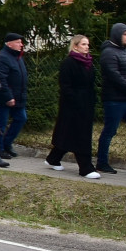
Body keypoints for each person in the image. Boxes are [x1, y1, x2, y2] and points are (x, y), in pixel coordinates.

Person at [43, 35, 100, 179]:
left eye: (88, 44)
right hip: (72, 106)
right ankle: (85, 168)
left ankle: (53, 158)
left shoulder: (89, 63)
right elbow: (65, 86)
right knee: (80, 135)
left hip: (86, 103)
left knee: (68, 133)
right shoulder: (69, 63)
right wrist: (76, 100)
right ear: (75, 46)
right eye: (83, 44)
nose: (87, 47)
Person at [96, 23, 126, 175]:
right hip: (114, 100)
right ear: (117, 35)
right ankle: (102, 162)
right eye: (125, 34)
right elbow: (114, 76)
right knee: (110, 130)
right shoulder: (108, 53)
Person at [0, 32, 28, 158]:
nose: (21, 45)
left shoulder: (18, 57)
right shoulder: (3, 57)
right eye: (18, 42)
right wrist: (8, 96)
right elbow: (1, 78)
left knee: (21, 118)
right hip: (5, 98)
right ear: (9, 44)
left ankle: (7, 143)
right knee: (1, 124)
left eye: (21, 42)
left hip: (19, 97)